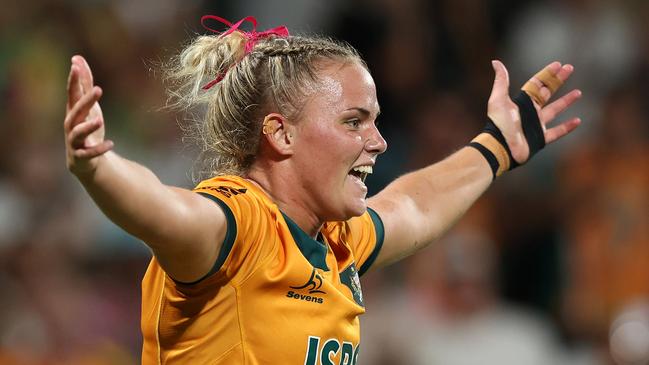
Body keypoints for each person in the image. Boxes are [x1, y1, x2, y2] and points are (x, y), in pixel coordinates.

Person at [63, 15, 581, 365]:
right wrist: (98, 167)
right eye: (353, 121)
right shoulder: (238, 228)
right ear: (281, 133)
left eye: (376, 121)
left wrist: (495, 149)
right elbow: (161, 209)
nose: (378, 142)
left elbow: (413, 207)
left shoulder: (337, 240)